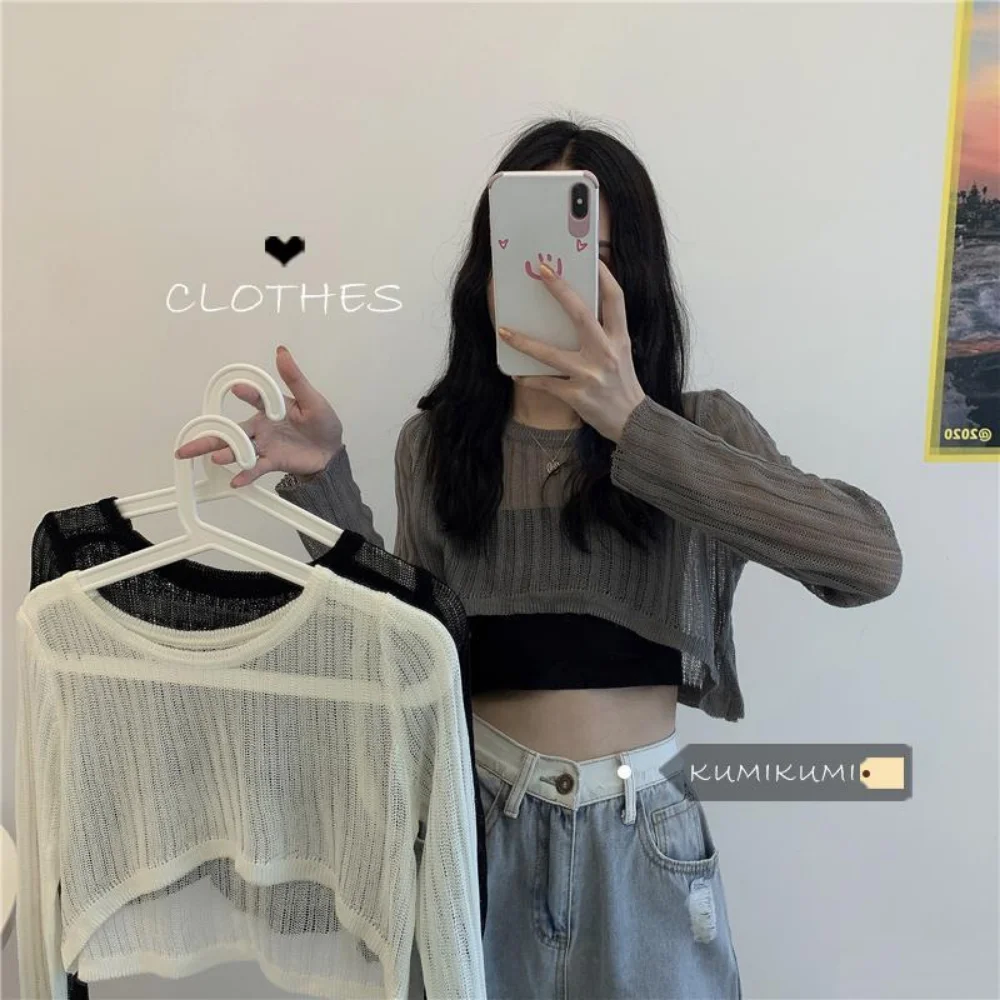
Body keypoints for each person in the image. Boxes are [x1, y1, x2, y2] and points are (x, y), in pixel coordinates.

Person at [177, 118, 902, 999]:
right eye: (522, 254)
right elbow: (403, 651)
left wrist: (637, 427)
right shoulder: (436, 448)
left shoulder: (698, 430)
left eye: (587, 256)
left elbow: (867, 562)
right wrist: (322, 477)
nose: (552, 280)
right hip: (478, 831)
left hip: (643, 841)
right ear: (485, 276)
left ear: (632, 277)